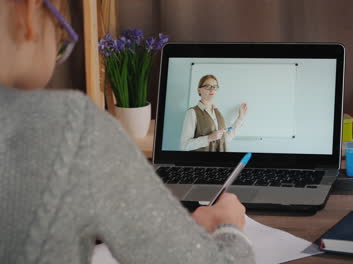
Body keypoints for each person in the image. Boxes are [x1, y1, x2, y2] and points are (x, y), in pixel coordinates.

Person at [0, 0, 254, 263]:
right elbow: (186, 144)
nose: (212, 90)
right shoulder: (72, 126)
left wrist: (240, 121)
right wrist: (229, 227)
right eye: (61, 35)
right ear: (28, 11)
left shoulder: (221, 114)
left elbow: (228, 138)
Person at [180, 74, 248, 151]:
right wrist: (209, 138)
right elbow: (184, 145)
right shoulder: (192, 112)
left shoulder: (218, 113)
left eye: (215, 87)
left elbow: (225, 139)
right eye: (208, 86)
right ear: (199, 90)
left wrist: (240, 118)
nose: (212, 90)